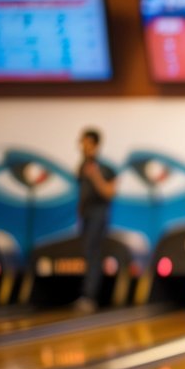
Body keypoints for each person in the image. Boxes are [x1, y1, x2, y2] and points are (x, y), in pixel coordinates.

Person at [74, 128, 116, 312]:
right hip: (86, 216)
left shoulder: (104, 168)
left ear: (96, 145)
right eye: (82, 142)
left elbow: (109, 192)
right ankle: (86, 295)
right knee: (87, 254)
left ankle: (90, 296)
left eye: (87, 143)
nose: (83, 146)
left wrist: (95, 175)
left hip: (99, 216)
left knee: (94, 255)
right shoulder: (81, 166)